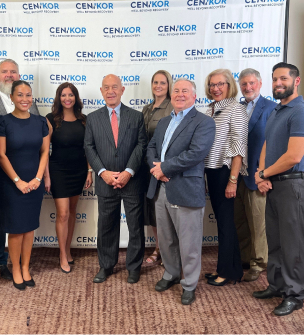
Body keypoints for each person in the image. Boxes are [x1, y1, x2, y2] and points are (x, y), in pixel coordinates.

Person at [147, 79, 215, 305]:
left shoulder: (204, 122)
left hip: (185, 187)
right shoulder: (165, 121)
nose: (179, 94)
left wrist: (164, 168)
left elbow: (196, 154)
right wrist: (157, 170)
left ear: (194, 96)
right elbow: (151, 148)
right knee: (165, 239)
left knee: (189, 242)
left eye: (185, 91)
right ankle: (171, 274)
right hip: (161, 187)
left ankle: (189, 283)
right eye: (176, 90)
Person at [0, 59, 41, 281]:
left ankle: (20, 264)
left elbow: (39, 134)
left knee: (23, 223)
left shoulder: (28, 102)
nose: (9, 75)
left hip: (28, 173)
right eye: (5, 72)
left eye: (13, 72)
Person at [84, 74, 148, 284]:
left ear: (122, 90)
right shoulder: (92, 118)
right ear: (101, 91)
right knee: (106, 226)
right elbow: (89, 147)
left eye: (115, 87)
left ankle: (134, 267)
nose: (110, 91)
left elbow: (141, 146)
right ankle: (106, 265)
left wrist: (129, 171)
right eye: (106, 88)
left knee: (135, 226)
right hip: (106, 181)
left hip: (132, 180)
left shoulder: (136, 117)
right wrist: (103, 173)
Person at [253, 62, 304, 316]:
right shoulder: (276, 111)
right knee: (275, 240)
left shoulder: (300, 111)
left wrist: (263, 173)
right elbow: (266, 145)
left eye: (283, 78)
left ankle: (295, 295)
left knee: (293, 244)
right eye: (274, 79)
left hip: (292, 184)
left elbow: (294, 156)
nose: (277, 83)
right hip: (273, 184)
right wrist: (262, 176)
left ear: (296, 81)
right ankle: (276, 285)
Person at [0, 80, 50, 290]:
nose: (25, 99)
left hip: (34, 183)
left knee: (29, 228)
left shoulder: (40, 122)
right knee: (16, 229)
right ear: (11, 97)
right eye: (20, 95)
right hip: (12, 183)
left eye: (28, 95)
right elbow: (1, 154)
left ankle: (26, 267)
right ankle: (15, 268)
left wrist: (37, 178)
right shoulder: (4, 122)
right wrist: (18, 181)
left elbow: (45, 151)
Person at [204, 68, 248, 286]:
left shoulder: (236, 109)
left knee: (226, 223)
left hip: (225, 172)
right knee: (224, 223)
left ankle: (226, 272)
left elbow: (239, 147)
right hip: (210, 172)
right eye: (212, 84)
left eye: (221, 84)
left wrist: (233, 180)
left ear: (230, 86)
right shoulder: (209, 109)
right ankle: (233, 270)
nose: (216, 88)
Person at [46, 83, 92, 274]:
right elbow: (43, 151)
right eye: (64, 95)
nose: (67, 98)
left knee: (72, 211)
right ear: (59, 97)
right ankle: (62, 255)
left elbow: (88, 148)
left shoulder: (84, 120)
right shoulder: (50, 119)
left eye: (71, 95)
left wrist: (89, 171)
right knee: (63, 213)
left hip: (79, 170)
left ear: (76, 97)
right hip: (58, 171)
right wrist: (46, 176)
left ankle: (68, 249)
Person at [234, 68, 276, 282]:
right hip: (237, 175)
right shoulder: (237, 108)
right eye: (244, 84)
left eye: (252, 83)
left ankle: (259, 263)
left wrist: (265, 174)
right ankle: (245, 258)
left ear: (260, 84)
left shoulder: (271, 108)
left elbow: (274, 145)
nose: (248, 87)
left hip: (257, 176)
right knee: (240, 221)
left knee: (258, 223)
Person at [142, 70, 173, 266]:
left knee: (166, 210)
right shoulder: (146, 108)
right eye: (155, 82)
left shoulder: (172, 107)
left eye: (163, 82)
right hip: (147, 167)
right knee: (153, 210)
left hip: (163, 167)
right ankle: (158, 248)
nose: (158, 86)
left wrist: (164, 166)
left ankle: (169, 249)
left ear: (169, 85)